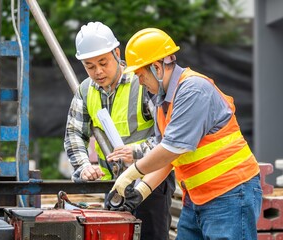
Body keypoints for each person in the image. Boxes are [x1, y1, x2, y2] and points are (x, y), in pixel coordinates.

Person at [107, 28, 262, 240]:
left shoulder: (193, 90)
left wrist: (131, 174)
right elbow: (168, 159)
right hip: (199, 197)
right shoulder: (164, 102)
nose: (139, 81)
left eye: (140, 75)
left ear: (156, 68)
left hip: (231, 192)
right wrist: (140, 192)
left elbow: (171, 150)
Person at [64, 22, 175, 240]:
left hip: (150, 183)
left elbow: (168, 137)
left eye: (103, 63)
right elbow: (74, 134)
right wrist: (84, 166)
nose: (98, 71)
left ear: (117, 53)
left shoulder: (143, 82)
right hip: (115, 186)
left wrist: (135, 151)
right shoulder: (86, 91)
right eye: (89, 66)